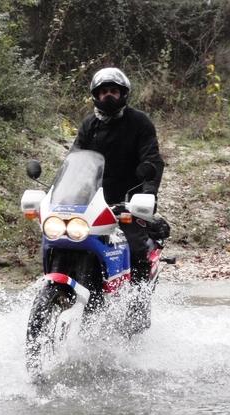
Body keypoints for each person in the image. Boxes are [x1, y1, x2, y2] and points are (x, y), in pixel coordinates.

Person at [72, 67, 169, 282]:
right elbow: (75, 160)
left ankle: (137, 302)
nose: (108, 95)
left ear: (123, 94)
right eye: (103, 91)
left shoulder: (139, 122)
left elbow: (151, 159)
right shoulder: (89, 125)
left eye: (113, 91)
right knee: (68, 237)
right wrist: (61, 191)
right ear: (96, 96)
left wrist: (148, 193)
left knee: (134, 248)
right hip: (94, 200)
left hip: (129, 201)